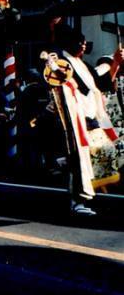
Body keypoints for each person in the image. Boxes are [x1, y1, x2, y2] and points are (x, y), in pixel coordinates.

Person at [50, 24, 124, 215]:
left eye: (84, 42)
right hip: (75, 120)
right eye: (80, 42)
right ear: (69, 43)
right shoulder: (62, 63)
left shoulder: (82, 64)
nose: (84, 45)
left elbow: (102, 84)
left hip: (91, 119)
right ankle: (77, 202)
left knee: (94, 158)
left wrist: (116, 62)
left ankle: (86, 194)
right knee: (79, 160)